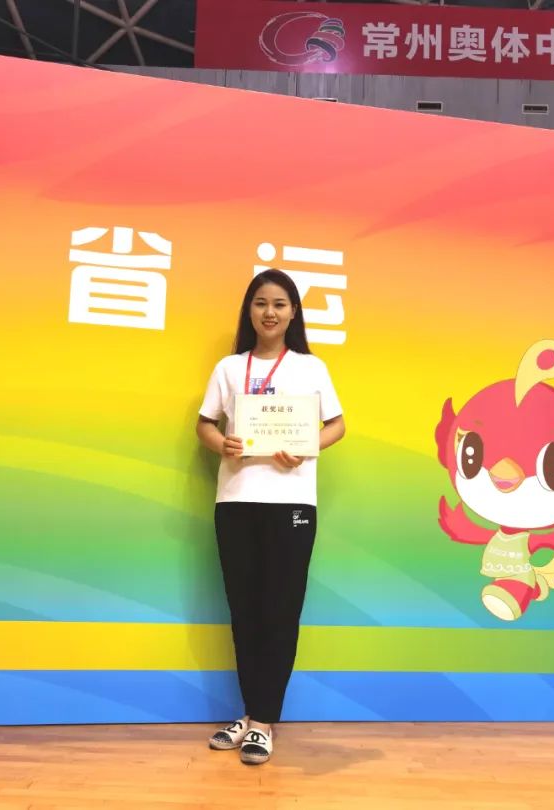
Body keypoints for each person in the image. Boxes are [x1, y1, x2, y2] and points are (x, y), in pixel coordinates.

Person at [196, 269, 345, 766]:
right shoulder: (229, 367)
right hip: (236, 501)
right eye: (261, 303)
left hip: (292, 503)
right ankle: (250, 713)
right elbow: (204, 424)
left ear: (293, 312)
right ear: (249, 310)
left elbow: (338, 425)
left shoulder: (311, 367)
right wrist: (222, 443)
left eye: (280, 304)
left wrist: (305, 447)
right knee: (244, 612)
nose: (270, 312)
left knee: (279, 612)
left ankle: (262, 722)